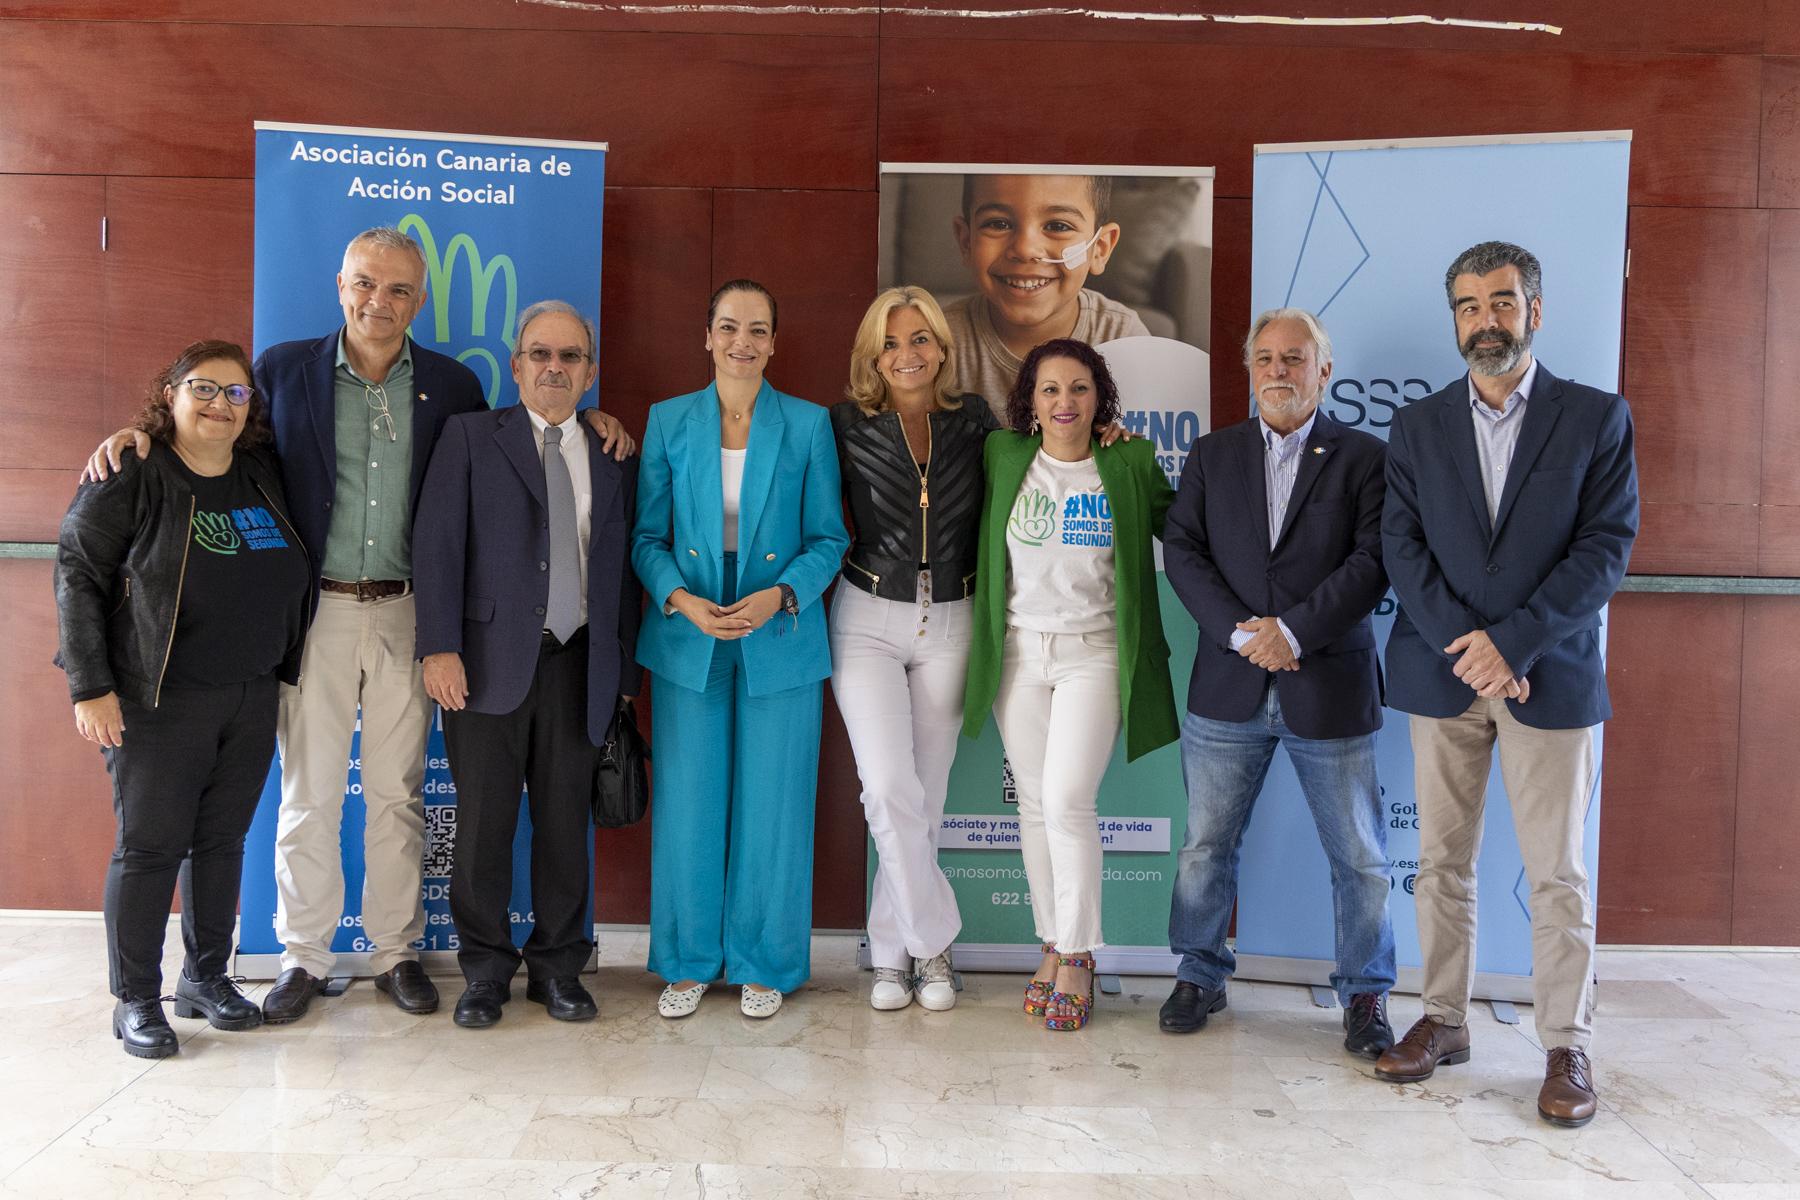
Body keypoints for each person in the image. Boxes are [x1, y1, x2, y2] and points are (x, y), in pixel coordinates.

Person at [83, 227, 632, 1023]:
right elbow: (216, 433)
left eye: (400, 289)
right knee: (308, 791)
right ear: (341, 285)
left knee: (396, 793)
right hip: (318, 611)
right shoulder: (281, 371)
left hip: (409, 610)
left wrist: (595, 418)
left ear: (420, 300)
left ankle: (394, 952)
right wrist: (145, 433)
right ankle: (303, 956)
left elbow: (525, 444)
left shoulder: (450, 386)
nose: (381, 301)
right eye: (367, 284)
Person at [1375, 242, 1639, 1128]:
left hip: (1547, 675)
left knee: (1557, 873)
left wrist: (1513, 643)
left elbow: (1605, 549)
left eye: (1500, 302)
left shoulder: (1595, 417)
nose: (1484, 321)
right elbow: (1402, 548)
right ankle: (1444, 1020)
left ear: (1534, 310)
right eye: (1467, 306)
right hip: (1446, 673)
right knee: (1440, 863)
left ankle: (1566, 1044)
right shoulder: (1417, 427)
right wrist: (1471, 648)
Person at [55, 341, 311, 1058]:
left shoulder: (260, 472)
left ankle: (205, 978)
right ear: (169, 394)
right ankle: (136, 999)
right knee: (149, 848)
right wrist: (90, 687)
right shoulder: (133, 471)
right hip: (156, 698)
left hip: (250, 691)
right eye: (203, 388)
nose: (220, 404)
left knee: (221, 844)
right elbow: (76, 573)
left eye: (236, 393)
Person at [1158, 308, 1396, 1056]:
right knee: (1205, 846)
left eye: (1294, 358)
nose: (1278, 371)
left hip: (1327, 684)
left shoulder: (1366, 458)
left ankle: (1365, 993)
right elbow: (1184, 551)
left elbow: (1372, 562)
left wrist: (1290, 632)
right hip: (1226, 686)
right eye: (1264, 358)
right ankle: (1200, 973)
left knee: (1360, 857)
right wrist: (1241, 633)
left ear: (1324, 370)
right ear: (1248, 370)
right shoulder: (1213, 453)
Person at [413, 301, 640, 1028]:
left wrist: (623, 679)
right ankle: (484, 972)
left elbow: (621, 569)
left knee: (563, 828)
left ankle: (558, 969)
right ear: (515, 367)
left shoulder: (612, 454)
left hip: (581, 667)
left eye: (570, 356)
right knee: (482, 827)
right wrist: (439, 647)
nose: (554, 367)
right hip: (484, 665)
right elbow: (437, 546)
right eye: (540, 354)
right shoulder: (470, 437)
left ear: (589, 372)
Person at [632, 279, 849, 1020]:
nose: (742, 342)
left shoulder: (808, 425)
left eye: (757, 329)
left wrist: (781, 595)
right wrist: (681, 599)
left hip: (778, 633)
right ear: (707, 335)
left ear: (775, 343)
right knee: (689, 804)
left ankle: (766, 962)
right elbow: (646, 538)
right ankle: (688, 961)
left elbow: (829, 538)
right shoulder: (668, 421)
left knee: (775, 806)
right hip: (690, 633)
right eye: (728, 327)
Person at [961, 337, 1177, 1032]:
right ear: (1030, 400)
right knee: (1032, 806)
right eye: (1050, 389)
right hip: (1017, 655)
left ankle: (1080, 954)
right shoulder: (1002, 455)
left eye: (1079, 388)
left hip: (1095, 653)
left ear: (1099, 398)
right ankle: (1052, 943)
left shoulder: (1130, 460)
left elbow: (1184, 525)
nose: (1064, 401)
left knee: (1066, 799)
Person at [830, 285, 997, 1012]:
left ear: (941, 347)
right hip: (867, 615)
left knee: (925, 801)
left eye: (920, 338)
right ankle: (935, 944)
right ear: (873, 355)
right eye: (891, 343)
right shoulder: (843, 424)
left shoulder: (974, 421)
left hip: (952, 618)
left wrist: (1108, 436)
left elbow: (1042, 462)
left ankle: (892, 958)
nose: (906, 354)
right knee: (886, 788)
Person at [946, 173, 1150, 422]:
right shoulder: (941, 340)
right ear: (966, 242)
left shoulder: (1124, 337)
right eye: (998, 224)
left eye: (1058, 226)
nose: (1025, 250)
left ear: (1100, 248)